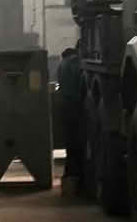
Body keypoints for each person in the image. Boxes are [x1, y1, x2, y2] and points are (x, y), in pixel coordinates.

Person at [57, 45, 82, 196]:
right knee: (76, 145)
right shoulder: (73, 63)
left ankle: (69, 179)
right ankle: (74, 180)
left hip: (65, 107)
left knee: (70, 145)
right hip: (74, 107)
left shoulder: (62, 65)